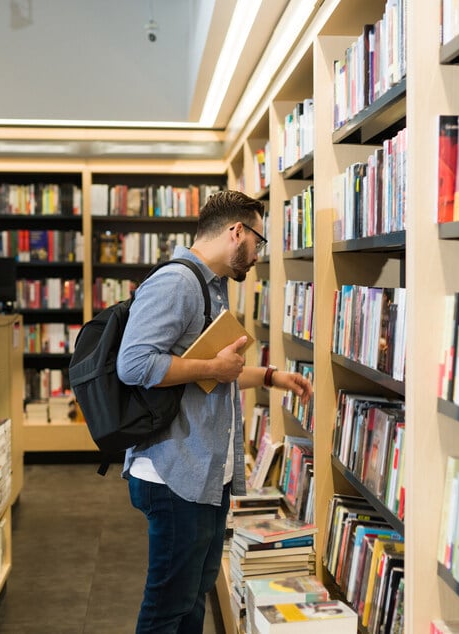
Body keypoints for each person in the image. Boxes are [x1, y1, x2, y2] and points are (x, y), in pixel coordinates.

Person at [117, 190, 313, 634]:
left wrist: (267, 377)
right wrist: (214, 366)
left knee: (191, 600)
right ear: (236, 231)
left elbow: (210, 373)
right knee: (168, 606)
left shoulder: (212, 286)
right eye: (258, 241)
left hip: (202, 472)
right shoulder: (177, 283)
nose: (257, 254)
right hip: (173, 473)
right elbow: (133, 364)